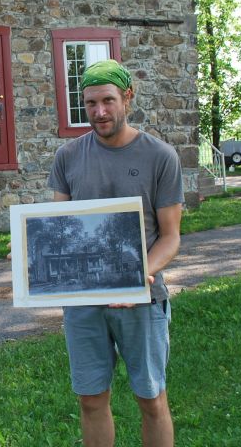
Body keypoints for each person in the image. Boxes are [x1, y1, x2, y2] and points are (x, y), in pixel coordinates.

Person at [47, 59, 183, 447]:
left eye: (108, 100)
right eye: (90, 103)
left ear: (127, 98)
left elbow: (170, 237)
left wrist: (140, 274)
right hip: (83, 299)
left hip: (141, 296)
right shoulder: (68, 156)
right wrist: (32, 245)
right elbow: (61, 225)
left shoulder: (160, 156)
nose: (99, 112)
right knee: (90, 399)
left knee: (151, 398)